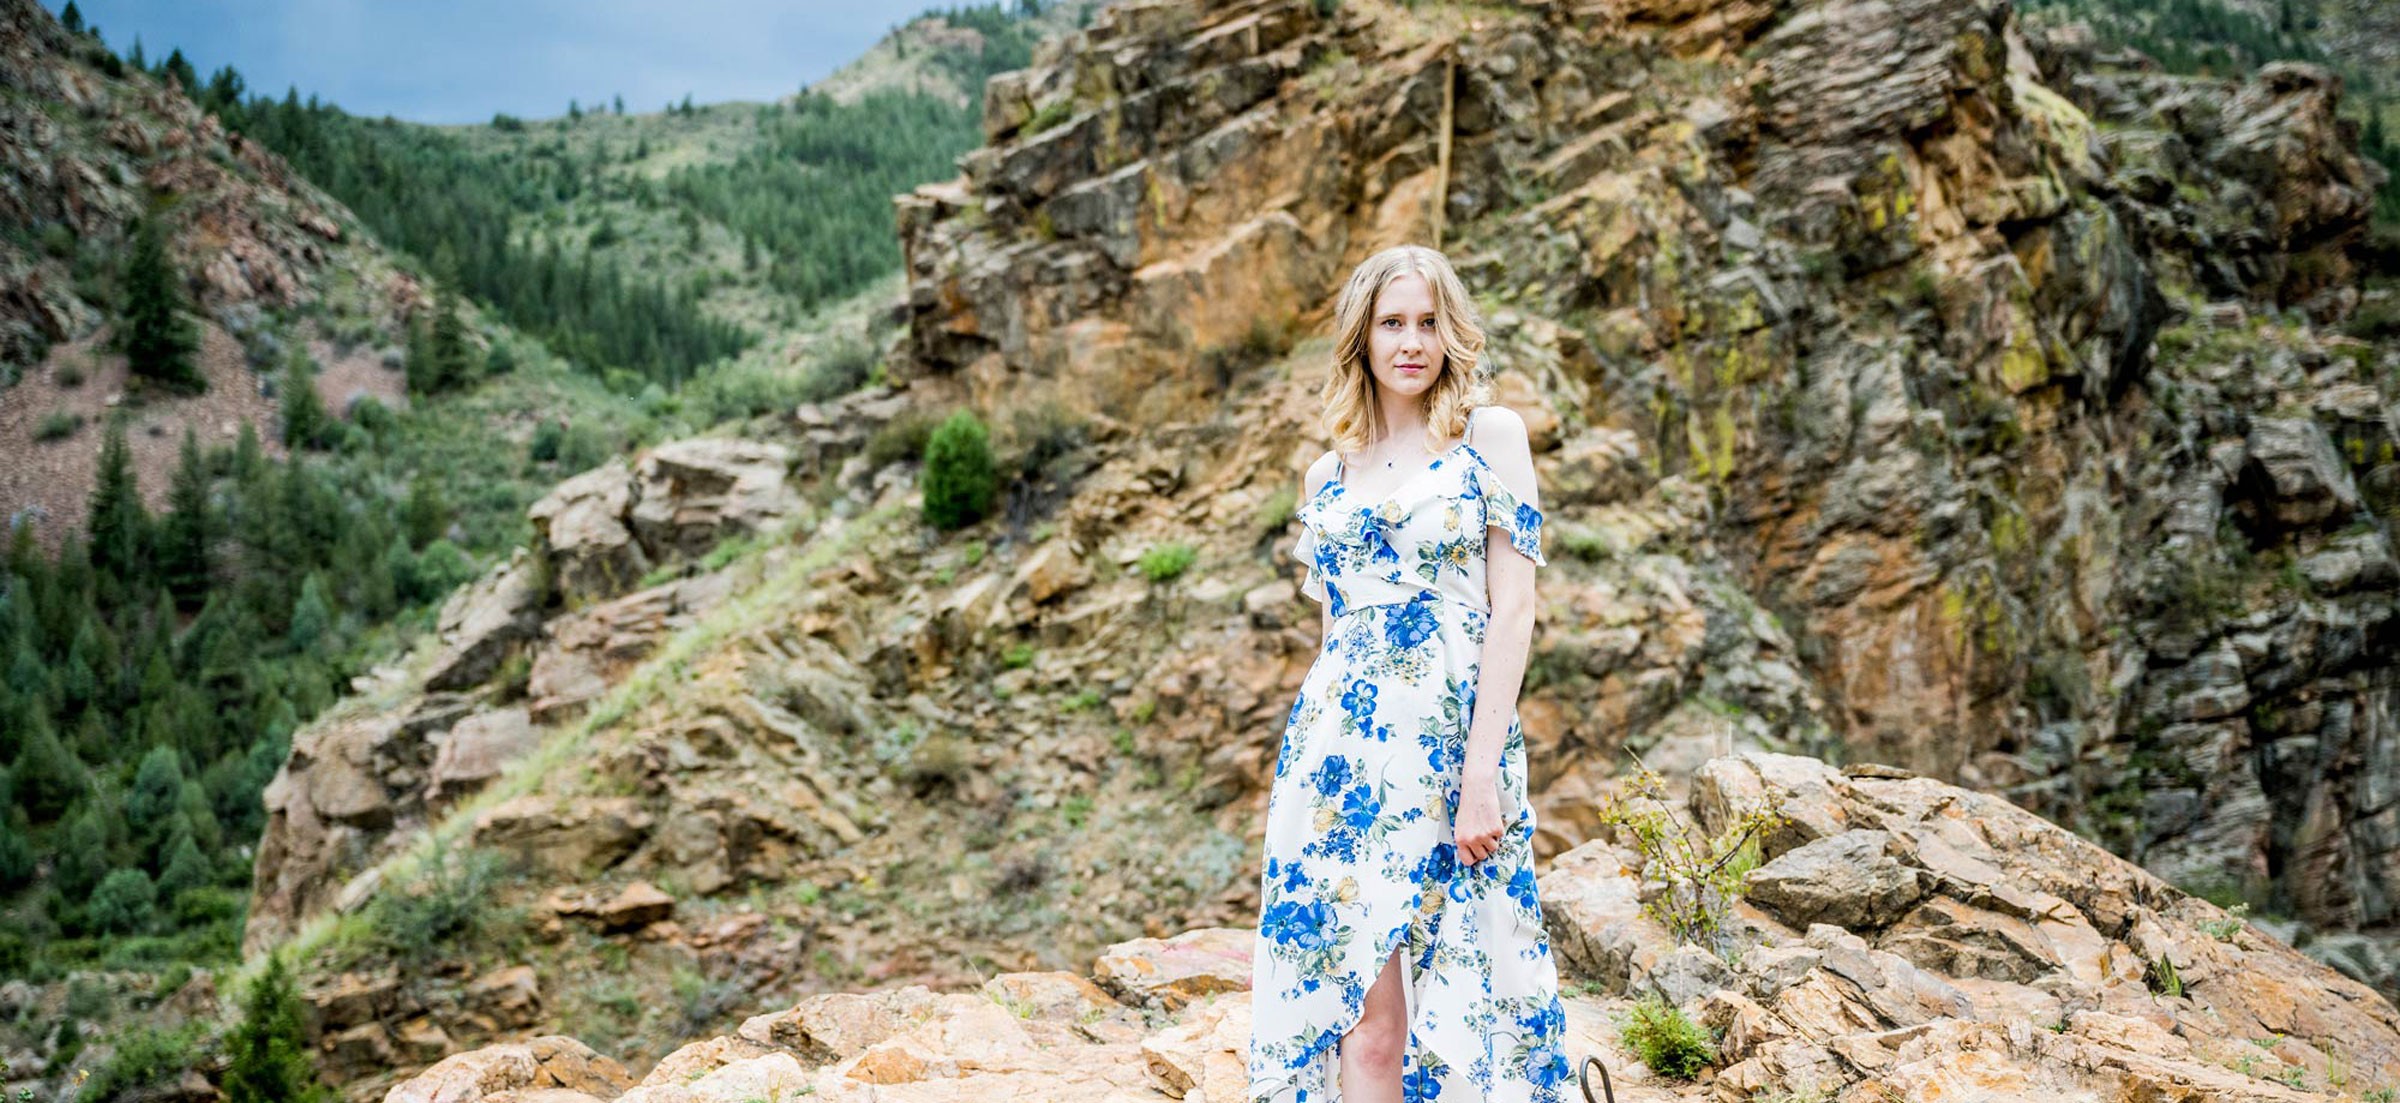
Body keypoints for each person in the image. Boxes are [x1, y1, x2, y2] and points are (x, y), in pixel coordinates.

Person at [1247, 243, 1572, 1102]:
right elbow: (1336, 638)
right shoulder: (1328, 473)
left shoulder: (1489, 438)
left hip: (1451, 752)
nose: (1412, 342)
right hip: (1336, 769)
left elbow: (1514, 609)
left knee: (1471, 995)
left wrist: (1480, 774)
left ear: (1450, 332)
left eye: (1429, 322)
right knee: (1364, 1019)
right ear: (1362, 336)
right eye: (1392, 322)